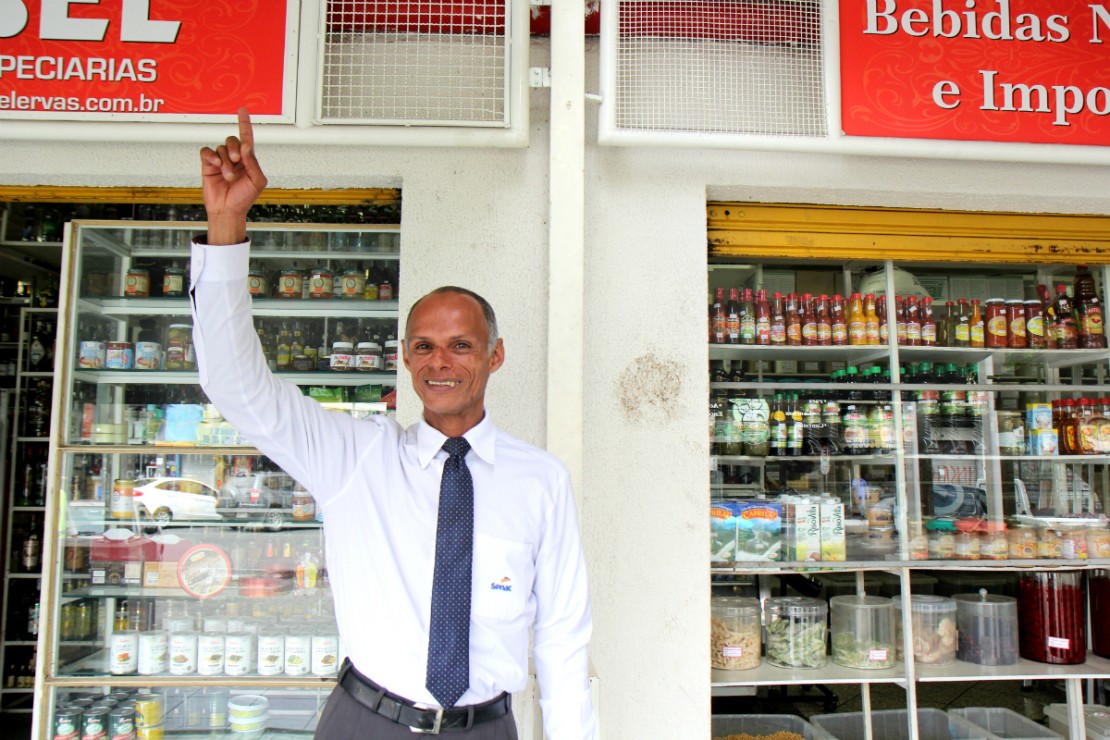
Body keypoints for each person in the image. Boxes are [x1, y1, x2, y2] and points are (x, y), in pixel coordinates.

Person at [191, 109, 598, 738]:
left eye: (461, 346)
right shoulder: (355, 456)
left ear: (494, 355)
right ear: (405, 357)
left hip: (485, 727)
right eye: (424, 346)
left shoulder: (541, 481)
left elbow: (564, 639)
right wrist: (227, 222)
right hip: (366, 720)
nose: (441, 362)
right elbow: (236, 387)